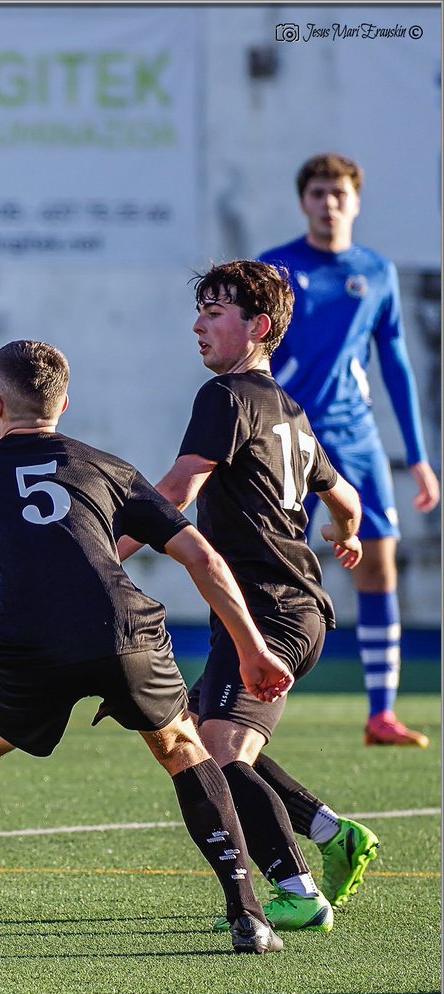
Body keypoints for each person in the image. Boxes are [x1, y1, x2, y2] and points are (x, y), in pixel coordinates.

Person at [0, 340, 292, 956]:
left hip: (28, 644)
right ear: (63, 404)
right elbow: (200, 554)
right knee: (182, 749)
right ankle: (248, 918)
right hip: (124, 629)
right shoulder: (107, 466)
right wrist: (251, 646)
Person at [117, 259, 374, 933]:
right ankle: (329, 831)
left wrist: (100, 558)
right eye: (199, 310)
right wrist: (345, 534)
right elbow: (345, 499)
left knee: (217, 752)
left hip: (264, 612)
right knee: (208, 731)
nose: (198, 324)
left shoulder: (227, 397)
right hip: (296, 605)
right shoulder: (287, 409)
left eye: (214, 312)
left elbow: (175, 491)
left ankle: (296, 889)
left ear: (258, 327)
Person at [258, 153, 440, 747]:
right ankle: (247, 701)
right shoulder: (274, 268)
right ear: (303, 201)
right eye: (317, 193)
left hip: (356, 441)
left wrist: (417, 455)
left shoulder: (377, 273)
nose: (328, 202)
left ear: (355, 201)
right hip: (288, 436)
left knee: (379, 563)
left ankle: (381, 713)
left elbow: (396, 366)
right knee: (272, 571)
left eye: (338, 193)